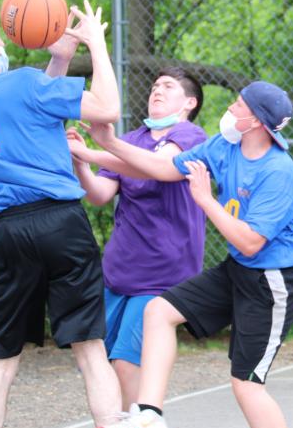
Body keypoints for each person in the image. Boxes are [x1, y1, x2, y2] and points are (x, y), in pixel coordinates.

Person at [0, 0, 124, 428]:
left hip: (8, 231)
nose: (3, 41)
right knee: (91, 349)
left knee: (1, 362)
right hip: (59, 222)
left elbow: (29, 108)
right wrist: (96, 44)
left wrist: (60, 58)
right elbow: (107, 108)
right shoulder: (23, 82)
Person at [89, 80, 293, 428]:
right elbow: (163, 168)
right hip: (240, 268)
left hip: (273, 280)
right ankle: (149, 416)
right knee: (158, 312)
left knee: (246, 383)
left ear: (255, 121)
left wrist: (205, 200)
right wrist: (105, 146)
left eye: (239, 105)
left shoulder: (277, 172)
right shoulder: (225, 146)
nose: (230, 108)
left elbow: (250, 242)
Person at [66, 67, 207, 409]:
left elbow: (159, 166)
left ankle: (143, 424)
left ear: (189, 102)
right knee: (99, 363)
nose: (157, 90)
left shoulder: (191, 136)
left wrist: (101, 148)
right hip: (120, 270)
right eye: (155, 85)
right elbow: (100, 194)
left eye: (168, 86)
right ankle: (122, 425)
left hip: (163, 273)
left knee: (128, 363)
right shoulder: (131, 139)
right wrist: (80, 162)